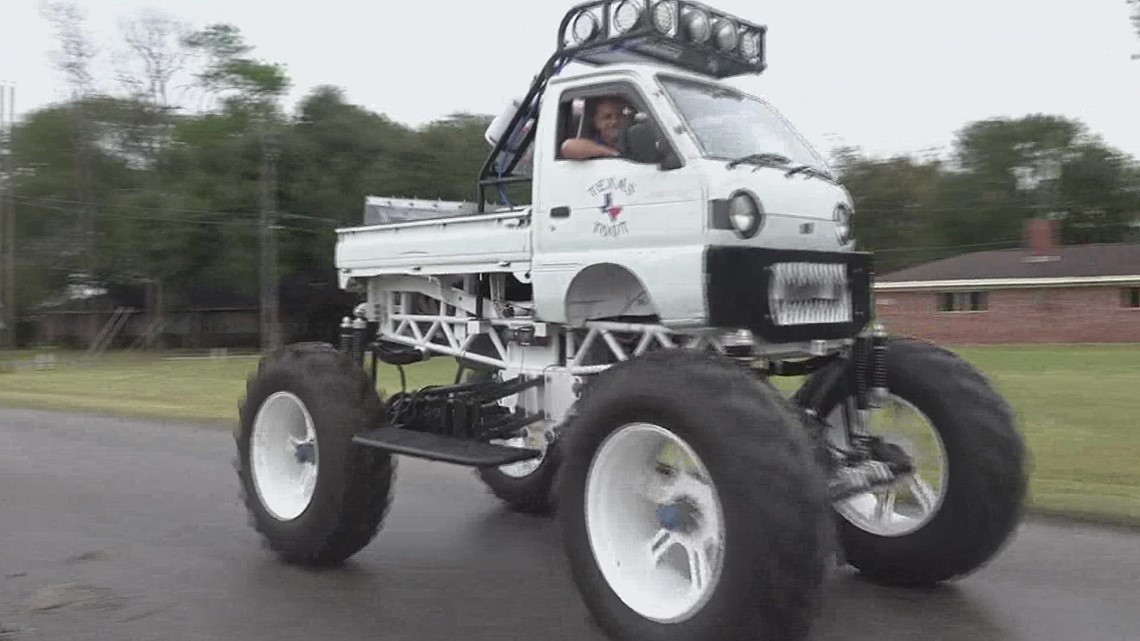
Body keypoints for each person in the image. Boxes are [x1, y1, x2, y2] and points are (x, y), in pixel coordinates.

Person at [560, 96, 630, 160]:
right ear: (596, 122)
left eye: (619, 115)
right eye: (607, 117)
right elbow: (567, 147)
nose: (614, 121)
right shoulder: (591, 145)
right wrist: (612, 153)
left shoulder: (632, 140)